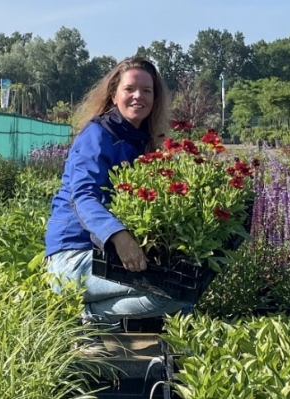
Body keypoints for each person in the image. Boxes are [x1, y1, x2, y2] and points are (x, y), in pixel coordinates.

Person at [44, 57, 190, 332]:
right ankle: (91, 316)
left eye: (147, 91)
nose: (138, 96)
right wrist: (118, 236)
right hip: (73, 257)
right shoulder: (98, 134)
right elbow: (83, 196)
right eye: (130, 89)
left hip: (102, 257)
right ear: (114, 95)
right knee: (170, 293)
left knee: (185, 288)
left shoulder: (142, 142)